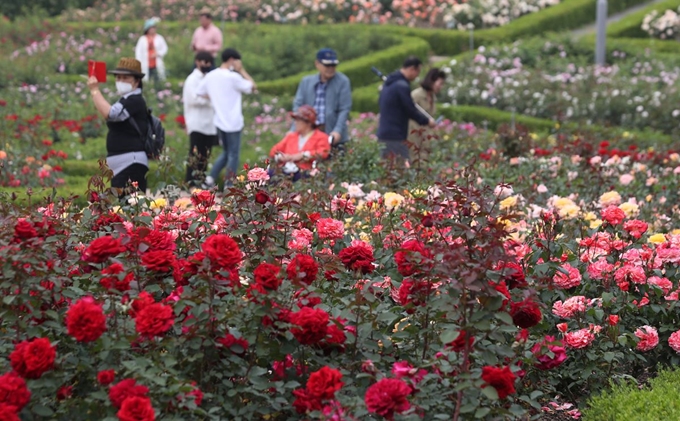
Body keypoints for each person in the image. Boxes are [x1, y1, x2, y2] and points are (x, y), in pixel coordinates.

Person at [87, 58, 149, 195]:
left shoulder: (135, 100)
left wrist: (95, 90)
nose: (120, 81)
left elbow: (110, 114)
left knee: (128, 208)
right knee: (121, 210)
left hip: (131, 164)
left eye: (125, 78)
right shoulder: (125, 99)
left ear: (137, 81)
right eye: (118, 77)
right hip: (122, 166)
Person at [196, 48, 256, 189]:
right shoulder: (233, 77)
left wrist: (215, 97)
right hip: (233, 121)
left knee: (226, 152)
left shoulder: (211, 75)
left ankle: (210, 179)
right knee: (233, 154)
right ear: (231, 60)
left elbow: (199, 92)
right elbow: (253, 87)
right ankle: (229, 185)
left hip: (219, 121)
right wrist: (242, 71)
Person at [376, 56, 435, 161]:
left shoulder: (389, 83)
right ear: (412, 69)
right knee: (402, 168)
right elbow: (410, 109)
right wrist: (426, 121)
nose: (417, 76)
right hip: (396, 135)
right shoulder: (402, 86)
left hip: (384, 133)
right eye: (418, 72)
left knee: (387, 169)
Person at [292, 48, 352, 151]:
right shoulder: (306, 82)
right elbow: (298, 107)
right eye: (327, 65)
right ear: (317, 64)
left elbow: (344, 109)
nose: (330, 68)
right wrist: (294, 130)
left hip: (332, 135)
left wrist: (337, 131)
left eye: (333, 65)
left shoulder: (343, 81)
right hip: (310, 134)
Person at [183, 51, 218, 187]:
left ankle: (200, 182)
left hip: (209, 123)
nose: (207, 65)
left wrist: (207, 97)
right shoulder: (192, 79)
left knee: (205, 155)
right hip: (197, 122)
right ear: (197, 62)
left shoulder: (208, 78)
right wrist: (209, 97)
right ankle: (190, 182)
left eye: (209, 62)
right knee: (195, 154)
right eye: (205, 62)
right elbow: (193, 99)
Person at [269, 105, 331, 180]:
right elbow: (273, 151)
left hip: (306, 173)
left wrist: (303, 155)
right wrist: (281, 157)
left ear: (308, 123)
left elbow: (324, 152)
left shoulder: (321, 137)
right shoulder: (291, 136)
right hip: (286, 171)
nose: (295, 123)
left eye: (298, 120)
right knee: (269, 175)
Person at [408, 68, 446, 162]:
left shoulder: (433, 98)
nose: (441, 87)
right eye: (440, 83)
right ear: (432, 80)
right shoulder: (416, 95)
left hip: (425, 138)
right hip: (413, 137)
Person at [134, 17, 168, 88]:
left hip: (156, 63)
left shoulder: (159, 38)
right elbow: (138, 52)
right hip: (145, 63)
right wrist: (139, 63)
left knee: (158, 80)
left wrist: (158, 53)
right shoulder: (142, 39)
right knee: (146, 81)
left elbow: (165, 48)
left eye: (154, 27)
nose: (153, 29)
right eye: (151, 28)